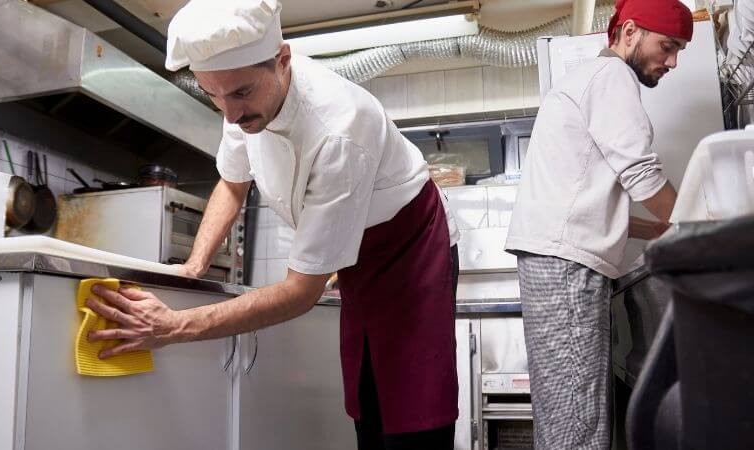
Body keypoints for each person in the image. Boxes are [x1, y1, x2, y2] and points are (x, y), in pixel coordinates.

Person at [85, 0, 461, 448]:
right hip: (358, 256)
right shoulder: (238, 96)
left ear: (283, 61)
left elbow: (299, 292)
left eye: (240, 94)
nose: (228, 113)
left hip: (409, 249)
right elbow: (232, 183)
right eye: (212, 94)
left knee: (413, 405)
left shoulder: (341, 128)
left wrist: (174, 327)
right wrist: (192, 268)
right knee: (367, 398)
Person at [504, 0, 693, 448]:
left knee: (566, 413)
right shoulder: (611, 78)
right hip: (566, 270)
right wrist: (699, 226)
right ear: (629, 32)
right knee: (576, 423)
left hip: (555, 264)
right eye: (667, 46)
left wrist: (658, 230)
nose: (672, 62)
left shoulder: (587, 79)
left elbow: (586, 199)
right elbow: (641, 173)